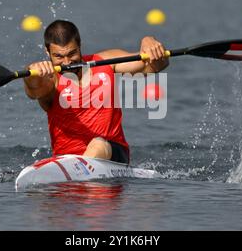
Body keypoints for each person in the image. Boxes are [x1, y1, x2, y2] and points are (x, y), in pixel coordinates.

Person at [24, 20, 169, 164]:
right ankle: (80, 168)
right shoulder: (50, 81)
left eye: (72, 53)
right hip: (66, 162)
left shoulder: (106, 61)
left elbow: (155, 66)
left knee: (98, 143)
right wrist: (32, 72)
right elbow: (33, 90)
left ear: (80, 45)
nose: (67, 62)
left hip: (113, 155)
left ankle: (82, 168)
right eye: (59, 57)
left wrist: (149, 42)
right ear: (47, 52)